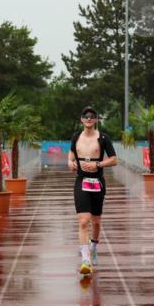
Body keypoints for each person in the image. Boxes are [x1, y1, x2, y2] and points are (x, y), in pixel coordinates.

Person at [67, 107, 117, 275]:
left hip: (97, 182)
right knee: (83, 221)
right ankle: (85, 259)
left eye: (92, 116)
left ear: (96, 120)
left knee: (96, 221)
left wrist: (98, 164)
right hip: (81, 181)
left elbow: (114, 160)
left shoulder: (103, 138)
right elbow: (71, 155)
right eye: (85, 116)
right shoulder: (76, 137)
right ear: (81, 119)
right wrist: (70, 163)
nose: (88, 118)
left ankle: (93, 247)